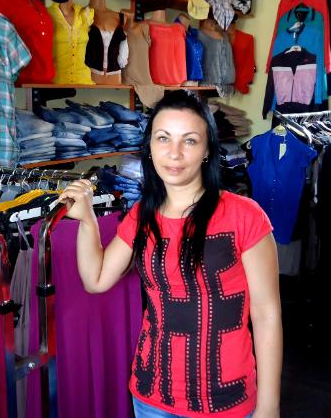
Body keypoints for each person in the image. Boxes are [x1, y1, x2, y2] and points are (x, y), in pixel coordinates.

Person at [57, 90, 282, 418]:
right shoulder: (142, 216)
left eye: (189, 140)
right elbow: (96, 279)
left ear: (207, 150)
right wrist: (88, 221)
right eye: (163, 138)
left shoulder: (245, 215)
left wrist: (269, 405)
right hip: (153, 397)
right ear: (149, 147)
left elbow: (266, 314)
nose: (174, 153)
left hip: (225, 400)